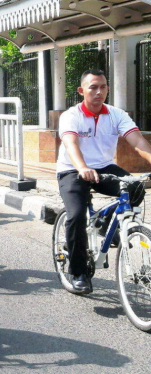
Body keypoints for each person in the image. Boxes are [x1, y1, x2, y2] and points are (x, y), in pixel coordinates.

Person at [57, 69, 151, 294]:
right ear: (82, 91)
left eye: (103, 87)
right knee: (77, 215)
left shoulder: (116, 114)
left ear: (108, 89)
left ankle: (105, 223)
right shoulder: (71, 115)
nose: (99, 92)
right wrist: (82, 168)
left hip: (103, 167)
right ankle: (78, 272)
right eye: (93, 87)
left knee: (136, 188)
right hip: (73, 169)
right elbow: (71, 144)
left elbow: (137, 141)